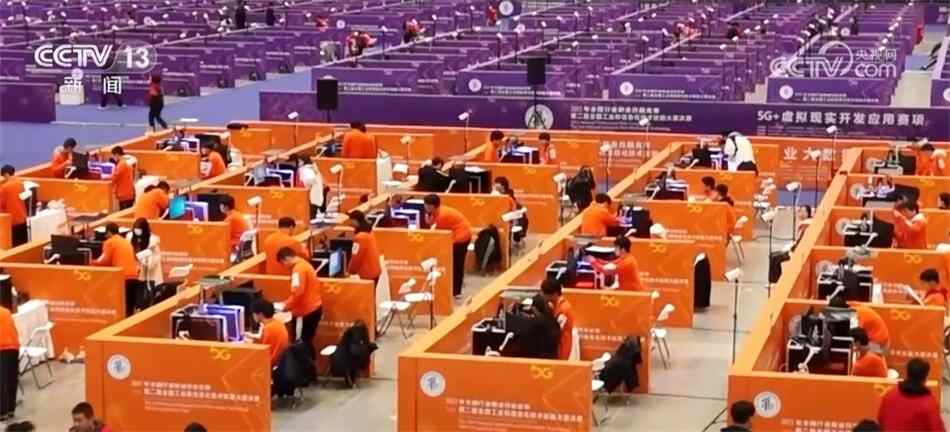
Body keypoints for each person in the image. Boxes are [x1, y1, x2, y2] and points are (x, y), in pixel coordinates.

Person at [277, 247, 323, 357]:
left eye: (282, 264)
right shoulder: (305, 265)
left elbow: (298, 293)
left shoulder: (298, 270)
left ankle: (304, 366)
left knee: (300, 345)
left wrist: (285, 306)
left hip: (305, 312)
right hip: (314, 309)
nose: (284, 267)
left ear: (286, 259)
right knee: (307, 342)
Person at [423, 194, 472, 297]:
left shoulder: (442, 216)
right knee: (455, 264)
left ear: (432, 206)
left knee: (457, 264)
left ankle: (456, 291)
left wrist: (429, 222)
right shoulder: (436, 212)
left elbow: (437, 233)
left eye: (426, 205)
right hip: (456, 236)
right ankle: (455, 288)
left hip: (461, 237)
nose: (424, 207)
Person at [877, 358, 945, 431]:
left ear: (907, 373)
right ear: (926, 376)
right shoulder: (929, 404)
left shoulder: (890, 395)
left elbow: (881, 420)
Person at [94, 223, 141, 316]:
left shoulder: (109, 242)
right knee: (130, 310)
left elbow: (105, 261)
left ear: (108, 232)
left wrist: (91, 262)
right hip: (134, 276)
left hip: (122, 277)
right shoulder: (126, 242)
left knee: (122, 310)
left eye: (106, 234)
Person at [247, 299, 289, 365]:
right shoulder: (276, 323)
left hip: (271, 363)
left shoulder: (269, 328)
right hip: (279, 361)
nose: (253, 316)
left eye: (253, 314)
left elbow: (264, 351)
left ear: (260, 314)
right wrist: (251, 338)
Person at [541, 278, 574, 360]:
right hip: (555, 345)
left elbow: (557, 330)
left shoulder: (564, 309)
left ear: (555, 294)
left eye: (545, 293)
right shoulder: (553, 304)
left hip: (561, 347)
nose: (543, 295)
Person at [346, 211, 382, 283]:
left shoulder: (360, 237)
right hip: (374, 271)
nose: (349, 222)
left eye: (350, 220)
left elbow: (356, 257)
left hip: (367, 274)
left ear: (355, 221)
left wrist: (349, 272)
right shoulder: (368, 231)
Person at [128, 218, 163, 286]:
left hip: (151, 277)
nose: (137, 233)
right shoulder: (130, 237)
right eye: (136, 230)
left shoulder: (153, 241)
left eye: (139, 230)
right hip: (136, 275)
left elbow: (152, 262)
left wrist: (141, 259)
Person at [0, 165, 28, 247]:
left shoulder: (4, 188)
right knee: (24, 244)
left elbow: (1, 205)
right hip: (23, 218)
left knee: (15, 245)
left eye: (4, 176)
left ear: (6, 174)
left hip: (12, 222)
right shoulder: (20, 183)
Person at [0, 303, 18, 421]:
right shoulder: (6, 311)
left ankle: (2, 412)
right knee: (11, 379)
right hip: (13, 347)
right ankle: (10, 409)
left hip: (2, 348)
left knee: (2, 381)